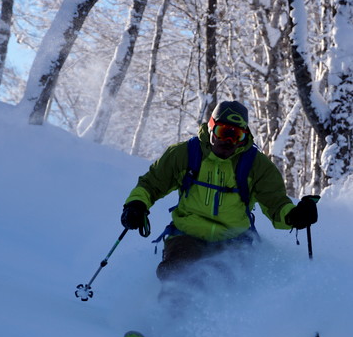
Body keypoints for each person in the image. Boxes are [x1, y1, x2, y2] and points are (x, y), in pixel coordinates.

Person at [120, 100, 318, 286]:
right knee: (179, 273)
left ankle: (227, 322)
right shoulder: (185, 154)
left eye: (237, 136)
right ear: (211, 128)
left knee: (224, 282)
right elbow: (151, 184)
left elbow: (276, 205)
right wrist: (136, 204)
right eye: (224, 132)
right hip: (187, 234)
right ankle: (168, 319)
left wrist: (294, 216)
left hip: (233, 241)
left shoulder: (257, 166)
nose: (229, 141)